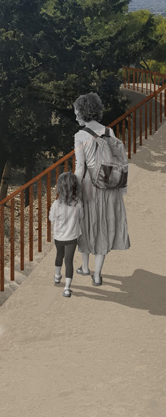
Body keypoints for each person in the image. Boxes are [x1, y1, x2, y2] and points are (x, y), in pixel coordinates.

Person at [72, 92, 130, 286]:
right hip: (108, 185)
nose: (75, 116)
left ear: (84, 112)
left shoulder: (80, 136)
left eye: (77, 112)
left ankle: (85, 267)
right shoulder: (109, 131)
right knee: (104, 226)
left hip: (90, 185)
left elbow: (80, 168)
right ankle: (97, 274)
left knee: (88, 226)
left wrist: (73, 190)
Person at [49, 172, 84, 298]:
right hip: (72, 237)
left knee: (59, 255)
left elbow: (51, 218)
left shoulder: (56, 204)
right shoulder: (78, 204)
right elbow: (81, 217)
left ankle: (57, 276)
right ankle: (67, 288)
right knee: (69, 261)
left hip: (59, 236)